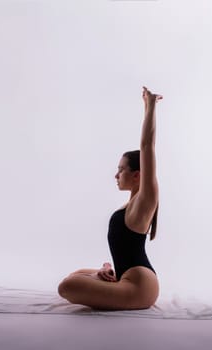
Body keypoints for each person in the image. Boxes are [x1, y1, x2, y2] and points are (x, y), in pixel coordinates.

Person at [57, 86, 163, 310]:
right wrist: (106, 268)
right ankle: (108, 272)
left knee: (67, 286)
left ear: (137, 175)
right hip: (127, 278)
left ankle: (110, 278)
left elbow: (147, 146)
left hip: (140, 286)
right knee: (76, 274)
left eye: (121, 170)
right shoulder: (131, 205)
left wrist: (149, 106)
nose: (116, 175)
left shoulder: (145, 200)